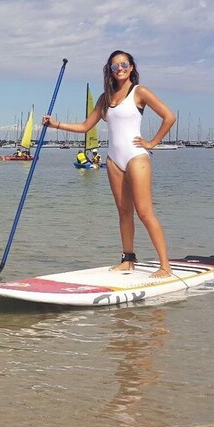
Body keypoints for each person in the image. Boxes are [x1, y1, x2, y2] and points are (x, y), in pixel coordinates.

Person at [42, 50, 176, 278]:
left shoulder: (139, 91)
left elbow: (169, 116)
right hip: (114, 159)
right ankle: (128, 259)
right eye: (115, 66)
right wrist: (56, 125)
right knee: (124, 212)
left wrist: (152, 142)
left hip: (136, 156)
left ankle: (165, 266)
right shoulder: (106, 98)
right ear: (110, 71)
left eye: (124, 64)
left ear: (131, 67)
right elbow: (86, 126)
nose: (120, 68)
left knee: (144, 212)